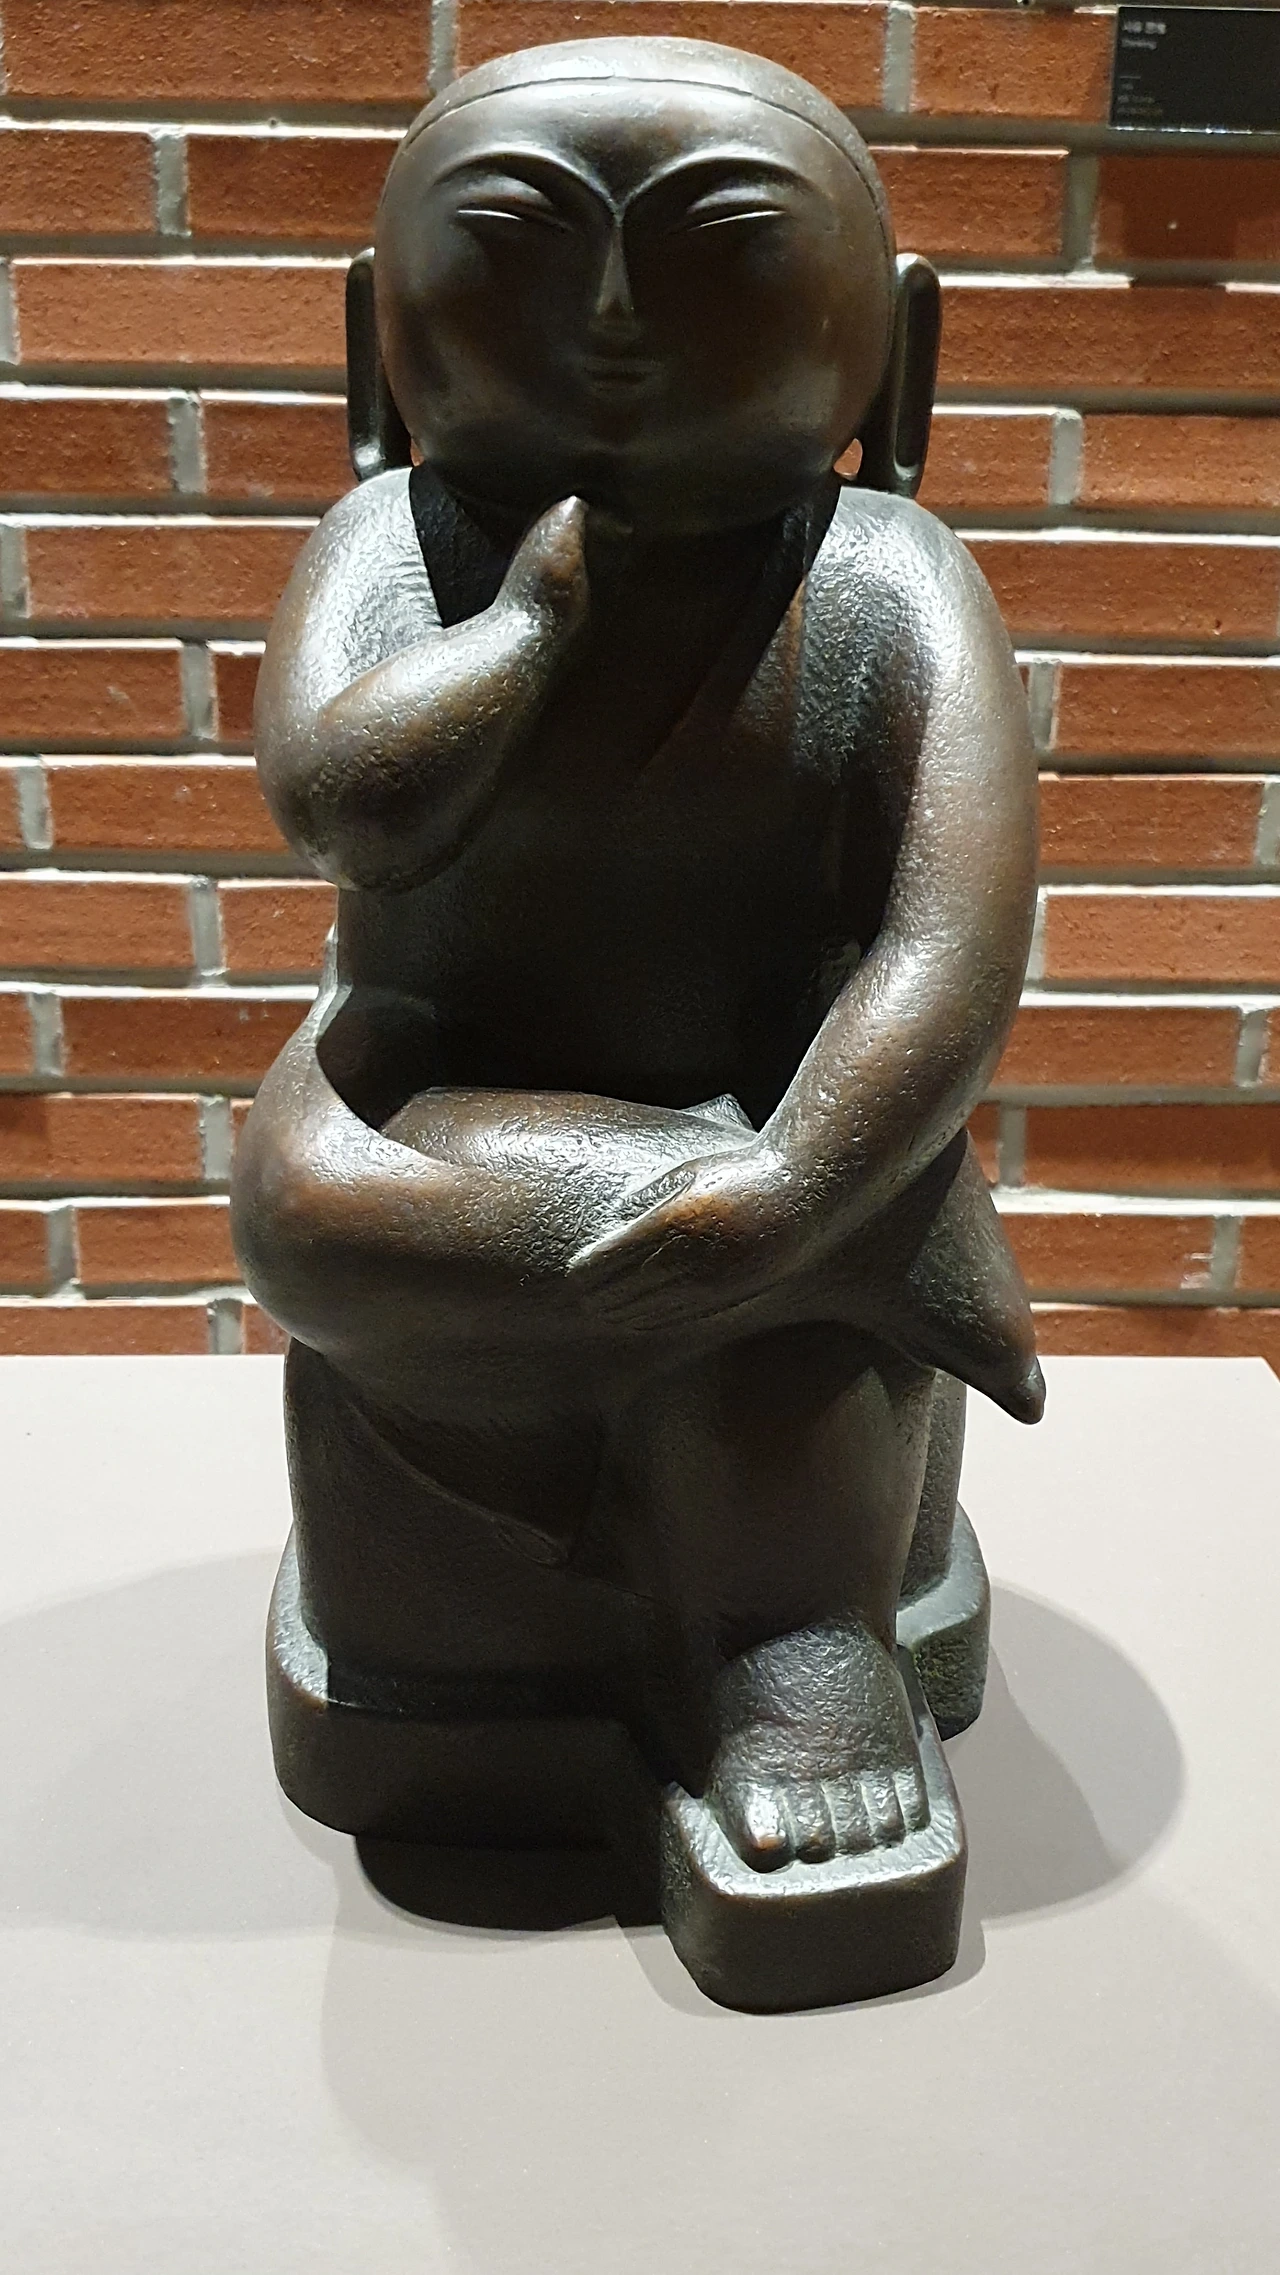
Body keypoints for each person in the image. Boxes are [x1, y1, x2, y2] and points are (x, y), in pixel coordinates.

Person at [234, 37, 1042, 1878]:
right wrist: (523, 638)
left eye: (717, 258)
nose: (611, 324)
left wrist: (798, 1174)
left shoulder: (891, 582)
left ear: (896, 358)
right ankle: (879, 1250)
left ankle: (792, 1644)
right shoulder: (391, 548)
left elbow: (952, 944)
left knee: (783, 1342)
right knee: (297, 1198)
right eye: (518, 253)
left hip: (788, 1110)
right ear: (375, 341)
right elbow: (340, 804)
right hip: (438, 1115)